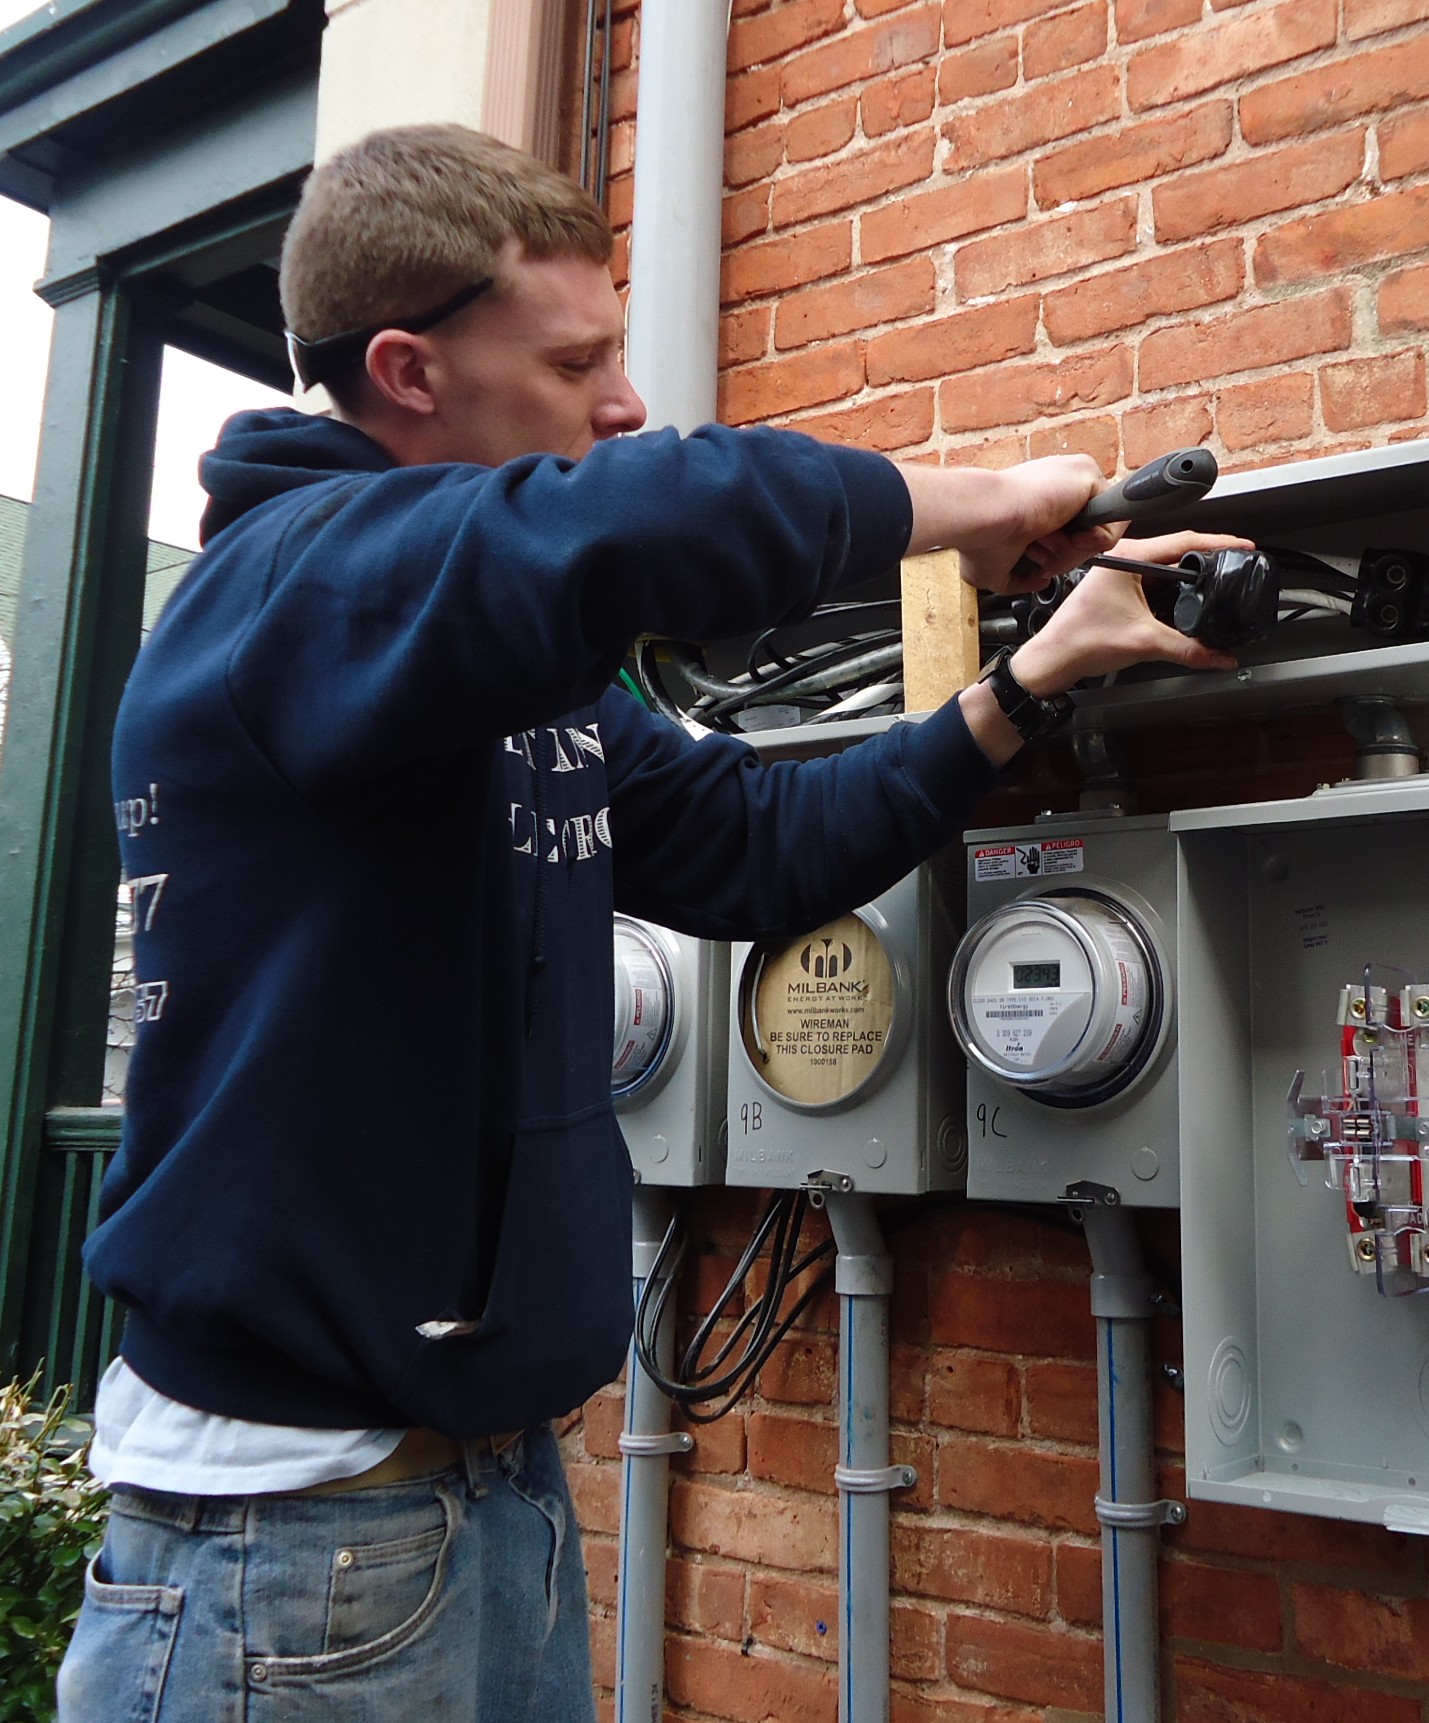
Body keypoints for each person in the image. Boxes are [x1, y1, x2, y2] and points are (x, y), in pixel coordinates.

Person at [56, 125, 1238, 1721]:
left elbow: (750, 847)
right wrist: (978, 501)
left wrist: (1030, 684)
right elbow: (658, 516)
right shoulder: (294, 588)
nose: (620, 403)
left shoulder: (483, 666)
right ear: (407, 369)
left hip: (484, 1495)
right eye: (578, 360)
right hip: (283, 1538)